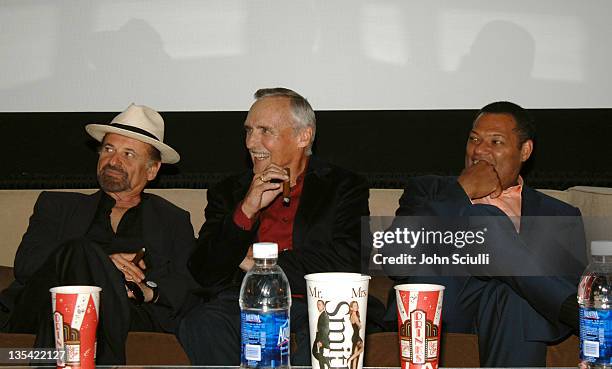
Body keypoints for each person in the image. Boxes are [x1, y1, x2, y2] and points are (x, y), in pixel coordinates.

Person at [385, 101, 586, 366]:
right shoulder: (429, 191)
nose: (479, 150)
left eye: (496, 142)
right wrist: (460, 192)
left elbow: (568, 280)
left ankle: (570, 308)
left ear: (525, 151)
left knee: (515, 298)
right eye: (474, 139)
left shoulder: (559, 214)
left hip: (515, 316)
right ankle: (584, 314)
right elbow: (394, 256)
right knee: (484, 220)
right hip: (442, 309)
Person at [179, 87, 370, 365]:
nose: (250, 142)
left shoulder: (343, 187)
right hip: (242, 302)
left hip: (318, 303)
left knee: (327, 335)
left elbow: (348, 260)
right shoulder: (230, 191)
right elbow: (204, 270)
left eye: (265, 131)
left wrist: (261, 265)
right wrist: (247, 209)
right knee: (202, 323)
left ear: (302, 136)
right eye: (248, 130)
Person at [0, 104, 197, 364]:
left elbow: (189, 285)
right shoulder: (58, 206)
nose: (114, 160)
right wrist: (102, 262)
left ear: (152, 170)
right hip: (41, 306)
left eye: (129, 153)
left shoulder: (173, 219)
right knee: (79, 251)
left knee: (103, 297)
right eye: (108, 149)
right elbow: (26, 266)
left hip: (127, 311)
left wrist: (145, 289)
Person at [312, 300, 331, 369]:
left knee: (319, 354)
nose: (318, 306)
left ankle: (327, 365)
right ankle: (328, 364)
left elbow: (325, 330)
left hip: (321, 338)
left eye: (320, 304)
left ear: (324, 306)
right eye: (317, 304)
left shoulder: (324, 315)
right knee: (317, 353)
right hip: (319, 336)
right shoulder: (321, 314)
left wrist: (321, 341)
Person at [346, 301, 364, 369]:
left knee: (356, 357)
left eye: (357, 305)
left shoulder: (352, 315)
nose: (356, 307)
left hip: (355, 336)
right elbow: (360, 326)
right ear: (351, 308)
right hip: (356, 336)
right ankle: (350, 358)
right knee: (362, 348)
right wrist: (360, 324)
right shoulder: (355, 316)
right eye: (354, 306)